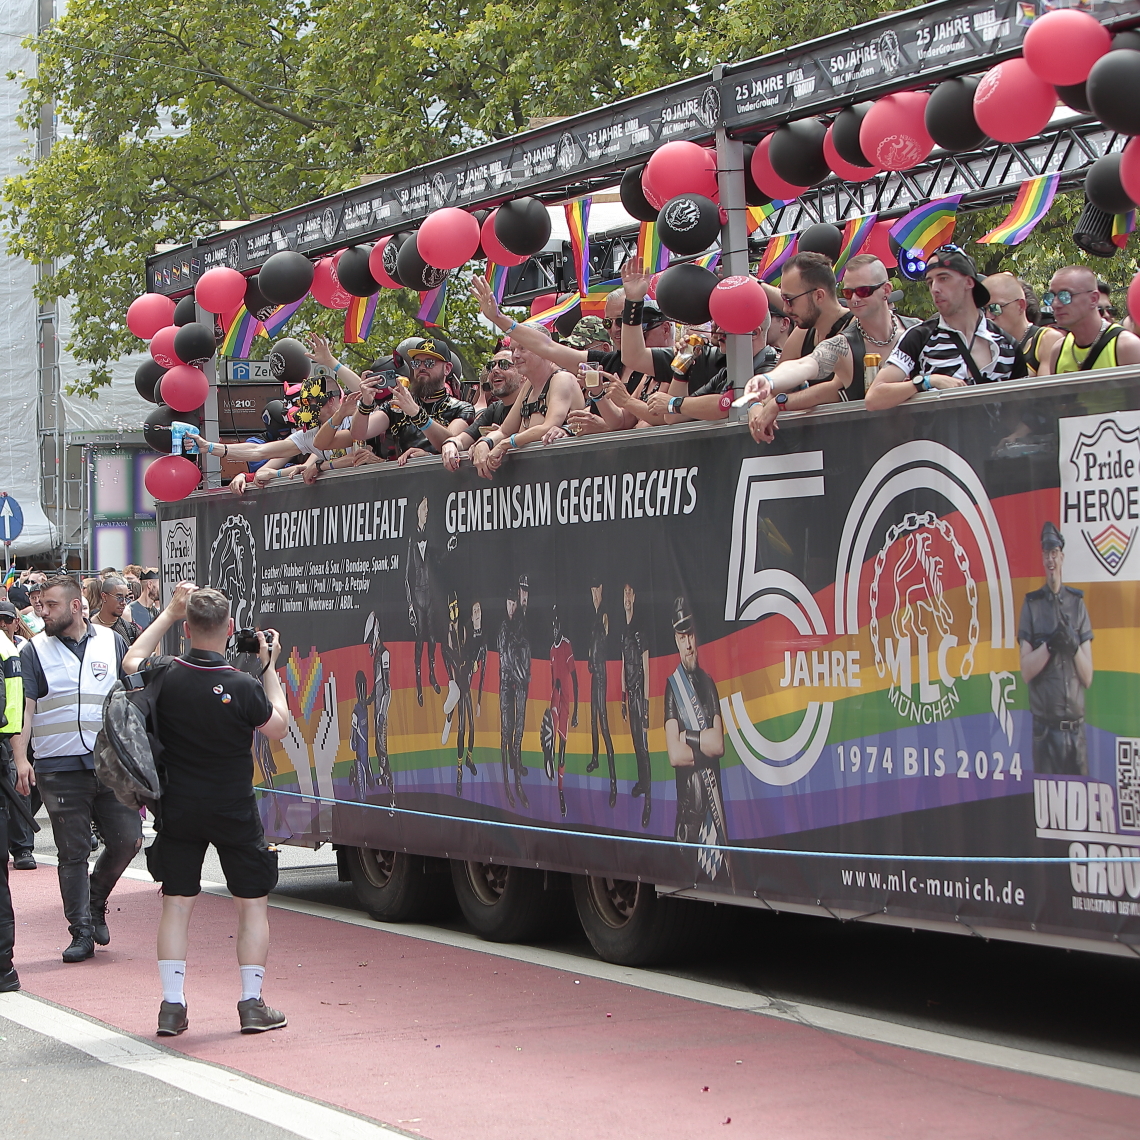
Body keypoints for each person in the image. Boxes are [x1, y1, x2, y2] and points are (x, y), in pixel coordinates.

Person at [122, 584, 290, 1037]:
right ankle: (252, 1003)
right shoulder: (242, 684)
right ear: (230, 628)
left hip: (178, 806)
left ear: (189, 628)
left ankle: (172, 1007)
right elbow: (279, 727)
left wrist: (169, 614)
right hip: (234, 807)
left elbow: (131, 660)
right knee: (252, 905)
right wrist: (269, 667)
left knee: (176, 905)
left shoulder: (164, 674)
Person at [12, 574, 141, 962]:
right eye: (39, 604)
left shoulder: (111, 641)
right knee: (73, 851)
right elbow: (26, 708)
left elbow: (129, 697)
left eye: (50, 605)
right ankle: (81, 930)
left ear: (73, 606)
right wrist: (21, 760)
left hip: (109, 763)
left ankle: (96, 899)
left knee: (127, 840)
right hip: (58, 764)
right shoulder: (35, 650)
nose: (41, 611)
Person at [746, 255, 912, 442]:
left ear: (886, 291)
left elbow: (832, 390)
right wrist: (759, 398)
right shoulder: (839, 342)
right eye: (848, 293)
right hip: (854, 448)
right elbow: (805, 366)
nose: (855, 300)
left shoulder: (915, 331)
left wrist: (780, 401)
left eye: (863, 291)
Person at [865, 246, 1027, 410]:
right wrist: (928, 381)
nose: (935, 289)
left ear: (968, 282)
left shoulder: (1007, 345)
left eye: (943, 278)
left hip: (992, 435)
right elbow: (874, 398)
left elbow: (1022, 411)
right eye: (930, 282)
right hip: (936, 435)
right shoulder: (920, 337)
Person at [1018, 522, 1093, 777]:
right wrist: (1048, 646)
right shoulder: (1031, 606)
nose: (1050, 559)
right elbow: (1026, 670)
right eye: (1046, 554)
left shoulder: (1078, 605)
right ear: (1042, 558)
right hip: (1045, 732)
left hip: (1076, 733)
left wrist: (1073, 648)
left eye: (1054, 553)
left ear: (1062, 556)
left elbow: (1088, 676)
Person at [664, 596, 728, 884]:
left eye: (690, 634)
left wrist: (688, 736)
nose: (688, 644)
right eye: (681, 637)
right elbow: (675, 756)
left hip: (713, 818)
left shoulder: (709, 684)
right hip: (689, 824)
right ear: (676, 641)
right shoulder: (671, 689)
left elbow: (719, 746)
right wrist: (705, 745)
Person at [470, 329, 583, 475]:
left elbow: (549, 426)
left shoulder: (562, 379)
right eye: (513, 349)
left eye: (523, 348)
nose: (515, 355)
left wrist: (506, 444)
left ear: (542, 347)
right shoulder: (529, 386)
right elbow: (504, 430)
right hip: (537, 480)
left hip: (566, 480)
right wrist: (485, 442)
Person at [347, 338, 475, 462]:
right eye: (416, 363)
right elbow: (359, 434)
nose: (422, 367)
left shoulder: (462, 408)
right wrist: (366, 402)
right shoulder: (396, 406)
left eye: (429, 362)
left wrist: (417, 414)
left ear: (447, 368)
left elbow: (452, 443)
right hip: (405, 480)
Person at [1037, 265, 1140, 375]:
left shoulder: (1126, 346)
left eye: (1065, 296)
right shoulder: (1058, 350)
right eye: (1051, 297)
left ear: (1093, 299)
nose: (1055, 304)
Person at [442, 349, 523, 473]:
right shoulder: (494, 409)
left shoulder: (533, 403)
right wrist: (450, 444)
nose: (495, 370)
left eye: (504, 365)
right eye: (491, 366)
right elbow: (463, 439)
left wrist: (491, 441)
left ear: (523, 374)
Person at [775, 252, 853, 364]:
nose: (785, 309)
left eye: (790, 300)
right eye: (783, 299)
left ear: (819, 296)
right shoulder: (803, 333)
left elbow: (841, 382)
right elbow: (778, 377)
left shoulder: (855, 329)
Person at [978, 272, 1061, 376]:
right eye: (983, 310)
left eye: (995, 308)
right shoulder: (984, 345)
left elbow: (1047, 390)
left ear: (1020, 306)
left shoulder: (1046, 340)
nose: (988, 316)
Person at [497, 582, 530, 809]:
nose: (511, 607)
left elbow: (524, 652)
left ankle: (518, 780)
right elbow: (505, 658)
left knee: (518, 732)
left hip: (519, 684)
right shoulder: (503, 628)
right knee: (505, 734)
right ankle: (509, 786)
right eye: (509, 603)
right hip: (506, 686)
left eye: (513, 603)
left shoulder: (520, 624)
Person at [621, 581, 651, 828]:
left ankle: (649, 800)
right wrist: (622, 695)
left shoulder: (640, 629)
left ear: (635, 596)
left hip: (640, 693)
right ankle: (642, 783)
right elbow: (623, 664)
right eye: (624, 593)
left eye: (630, 592)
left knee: (644, 746)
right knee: (635, 744)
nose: (627, 597)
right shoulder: (624, 630)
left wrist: (647, 702)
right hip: (629, 694)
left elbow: (647, 667)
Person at [586, 578, 616, 809]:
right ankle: (596, 758)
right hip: (594, 673)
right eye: (592, 591)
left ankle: (613, 779)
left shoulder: (603, 615)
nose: (594, 594)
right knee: (593, 721)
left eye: (596, 591)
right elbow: (593, 646)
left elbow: (603, 639)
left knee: (603, 723)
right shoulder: (595, 616)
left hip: (602, 674)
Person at [547, 606, 578, 818]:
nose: (555, 627)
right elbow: (552, 680)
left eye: (558, 623)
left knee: (563, 749)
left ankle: (560, 791)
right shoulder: (551, 650)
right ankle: (546, 748)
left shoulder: (566, 646)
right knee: (555, 693)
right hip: (556, 699)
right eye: (553, 623)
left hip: (567, 703)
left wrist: (575, 711)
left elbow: (575, 680)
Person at [91, 575, 142, 645]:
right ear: (104, 596)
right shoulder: (87, 626)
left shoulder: (131, 630)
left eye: (126, 598)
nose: (124, 603)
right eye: (119, 597)